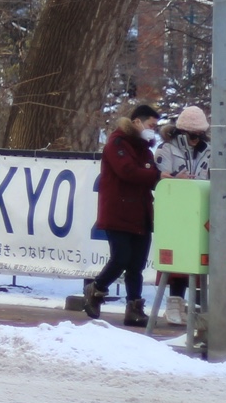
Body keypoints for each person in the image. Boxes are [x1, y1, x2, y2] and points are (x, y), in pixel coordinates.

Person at [85, 102, 163, 327]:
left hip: (141, 213)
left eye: (156, 126)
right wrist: (154, 175)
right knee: (121, 258)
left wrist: (157, 175)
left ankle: (134, 307)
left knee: (136, 265)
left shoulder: (145, 149)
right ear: (137, 122)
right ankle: (97, 288)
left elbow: (147, 173)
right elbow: (128, 171)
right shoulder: (116, 143)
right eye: (151, 124)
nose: (153, 129)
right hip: (118, 212)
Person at [154, 105, 212, 326]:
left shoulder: (209, 150)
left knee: (193, 259)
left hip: (198, 212)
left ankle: (185, 303)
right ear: (181, 132)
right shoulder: (166, 149)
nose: (195, 140)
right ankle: (173, 303)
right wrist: (176, 179)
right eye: (191, 135)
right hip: (174, 212)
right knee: (174, 258)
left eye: (199, 135)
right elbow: (159, 179)